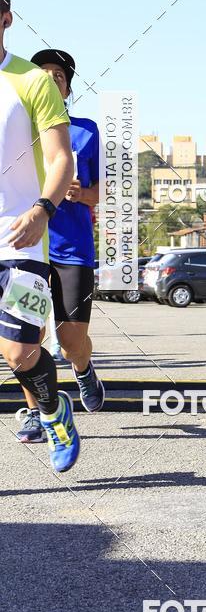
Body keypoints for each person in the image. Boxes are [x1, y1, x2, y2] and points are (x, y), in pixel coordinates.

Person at [0, 0, 80, 471]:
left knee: (21, 350)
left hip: (21, 237)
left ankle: (54, 413)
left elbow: (60, 158)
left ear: (6, 18)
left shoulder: (31, 80)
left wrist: (42, 210)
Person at [16, 49, 104, 444]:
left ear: (68, 88)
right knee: (27, 339)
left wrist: (81, 192)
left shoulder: (86, 130)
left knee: (70, 342)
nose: (51, 81)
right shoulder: (16, 127)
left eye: (59, 76)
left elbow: (105, 192)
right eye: (44, 74)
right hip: (27, 248)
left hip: (72, 250)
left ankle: (83, 369)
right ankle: (36, 413)